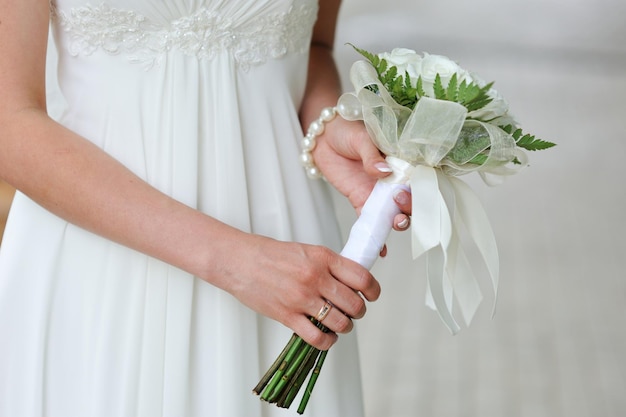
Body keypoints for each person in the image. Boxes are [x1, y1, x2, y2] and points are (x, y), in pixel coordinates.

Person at [0, 0, 411, 415]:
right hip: (98, 254)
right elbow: (9, 120)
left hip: (288, 256)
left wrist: (325, 126)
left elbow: (312, 46)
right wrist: (239, 260)